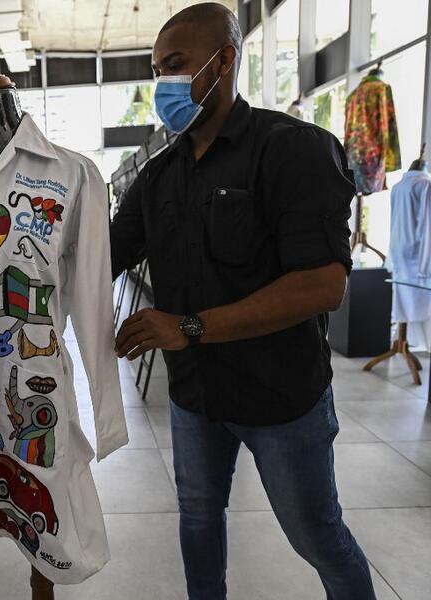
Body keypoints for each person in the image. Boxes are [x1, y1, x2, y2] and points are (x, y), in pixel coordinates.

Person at [110, 4, 376, 600]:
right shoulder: (158, 177)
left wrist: (190, 327)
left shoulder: (292, 151)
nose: (164, 84)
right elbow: (103, 251)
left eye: (176, 65)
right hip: (196, 398)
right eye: (157, 70)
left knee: (317, 535)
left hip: (280, 398)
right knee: (199, 519)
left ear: (224, 60)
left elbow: (320, 285)